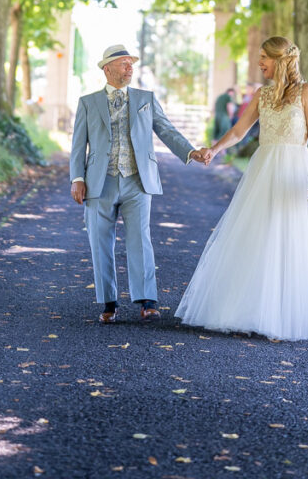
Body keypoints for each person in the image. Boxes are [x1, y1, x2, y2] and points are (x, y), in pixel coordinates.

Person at [175, 36, 308, 341]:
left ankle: (288, 316)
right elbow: (239, 131)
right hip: (264, 169)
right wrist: (214, 150)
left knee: (295, 240)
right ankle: (251, 310)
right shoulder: (261, 94)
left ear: (280, 60)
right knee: (260, 236)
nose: (259, 64)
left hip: (297, 171)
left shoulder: (307, 92)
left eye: (264, 58)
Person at [70, 43, 208, 324]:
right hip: (100, 181)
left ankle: (148, 300)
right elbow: (77, 145)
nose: (129, 67)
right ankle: (109, 303)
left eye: (131, 63)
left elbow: (166, 129)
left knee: (140, 240)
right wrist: (77, 178)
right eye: (123, 63)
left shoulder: (146, 97)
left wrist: (190, 151)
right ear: (107, 69)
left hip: (138, 179)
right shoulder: (88, 102)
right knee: (100, 242)